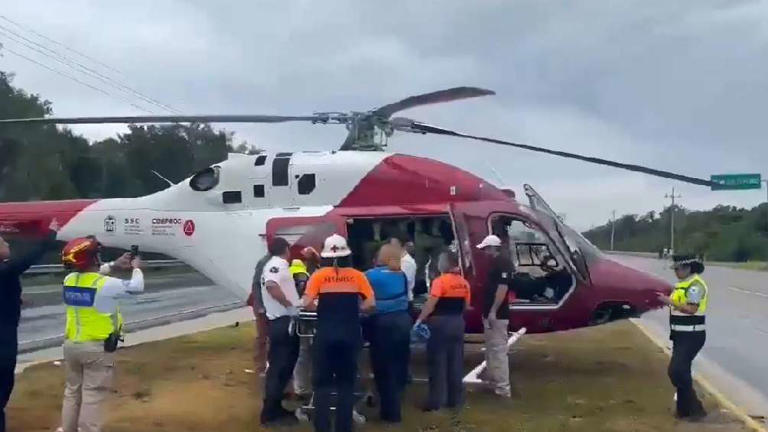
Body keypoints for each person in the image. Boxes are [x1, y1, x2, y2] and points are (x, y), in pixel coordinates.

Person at [59, 236, 144, 432]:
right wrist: (136, 267)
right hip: (97, 348)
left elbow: (95, 273)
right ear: (92, 259)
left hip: (72, 345)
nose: (99, 258)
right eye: (96, 255)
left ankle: (68, 429)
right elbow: (137, 287)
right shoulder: (104, 284)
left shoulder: (69, 280)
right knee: (93, 395)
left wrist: (115, 264)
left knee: (72, 393)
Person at [301, 234, 375, 432]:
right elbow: (370, 304)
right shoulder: (358, 276)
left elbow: (306, 302)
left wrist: (321, 309)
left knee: (323, 384)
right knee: (346, 384)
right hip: (350, 335)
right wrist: (355, 310)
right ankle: (344, 427)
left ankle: (322, 427)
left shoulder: (318, 276)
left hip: (325, 335)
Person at [0, 219, 59, 432]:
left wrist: (15, 299)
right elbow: (27, 260)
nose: (8, 244)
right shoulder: (5, 271)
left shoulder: (5, 275)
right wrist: (50, 235)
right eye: (4, 242)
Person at [415, 249, 471, 411]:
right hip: (457, 322)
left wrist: (420, 319)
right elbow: (466, 306)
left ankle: (436, 402)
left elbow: (431, 303)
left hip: (440, 323)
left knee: (437, 362)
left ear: (444, 264)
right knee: (455, 362)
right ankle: (455, 400)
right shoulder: (464, 282)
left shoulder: (440, 281)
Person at [656, 254, 709, 420]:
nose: (676, 272)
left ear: (688, 268)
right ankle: (684, 411)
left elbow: (692, 309)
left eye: (678, 269)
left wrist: (669, 301)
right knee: (681, 372)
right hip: (680, 335)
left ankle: (695, 409)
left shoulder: (695, 286)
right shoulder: (681, 285)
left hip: (692, 335)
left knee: (676, 371)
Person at [364, 244, 411, 422]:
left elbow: (366, 301)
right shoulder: (402, 275)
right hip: (403, 321)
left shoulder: (369, 275)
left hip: (382, 324)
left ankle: (389, 412)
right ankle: (396, 404)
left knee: (383, 368)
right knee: (400, 365)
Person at [260, 237, 301, 425]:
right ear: (286, 249)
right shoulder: (277, 265)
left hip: (285, 321)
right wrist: (288, 305)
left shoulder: (277, 264)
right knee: (279, 367)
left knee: (285, 366)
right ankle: (269, 413)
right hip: (281, 321)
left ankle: (275, 406)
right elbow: (271, 286)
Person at [477, 234, 513, 398]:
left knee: (498, 350)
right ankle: (493, 383)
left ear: (493, 248)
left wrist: (493, 311)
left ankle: (503, 388)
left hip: (497, 314)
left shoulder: (503, 263)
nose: (484, 252)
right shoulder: (497, 263)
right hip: (491, 313)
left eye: (485, 249)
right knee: (491, 350)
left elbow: (502, 288)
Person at [289, 258, 312, 400]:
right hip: (299, 320)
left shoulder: (287, 277)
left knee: (300, 353)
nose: (300, 283)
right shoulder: (305, 278)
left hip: (297, 320)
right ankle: (300, 387)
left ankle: (299, 387)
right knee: (302, 353)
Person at [251, 252, 272, 376]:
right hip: (262, 306)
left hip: (272, 306)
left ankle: (268, 364)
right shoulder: (264, 262)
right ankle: (260, 366)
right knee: (263, 337)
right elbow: (256, 284)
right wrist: (259, 305)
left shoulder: (277, 262)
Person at [389, 233, 416, 306]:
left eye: (394, 245)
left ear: (403, 246)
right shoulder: (395, 259)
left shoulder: (406, 262)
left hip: (404, 301)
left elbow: (403, 282)